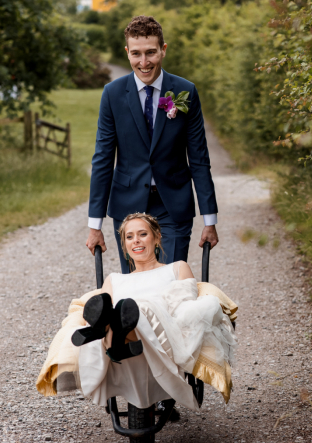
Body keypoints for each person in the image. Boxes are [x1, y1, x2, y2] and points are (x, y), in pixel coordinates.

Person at [85, 15, 219, 274]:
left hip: (174, 204)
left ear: (163, 50)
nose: (143, 63)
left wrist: (209, 220)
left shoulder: (185, 91)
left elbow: (199, 158)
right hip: (127, 206)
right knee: (136, 290)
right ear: (127, 52)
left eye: (150, 53)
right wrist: (95, 225)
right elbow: (103, 158)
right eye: (136, 54)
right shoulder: (112, 94)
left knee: (171, 283)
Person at [72, 213, 236, 412]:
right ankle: (112, 334)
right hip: (125, 337)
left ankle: (118, 332)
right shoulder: (114, 279)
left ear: (157, 237)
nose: (136, 241)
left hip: (160, 332)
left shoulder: (176, 268)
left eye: (143, 234)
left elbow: (183, 305)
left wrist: (147, 306)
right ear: (124, 244)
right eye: (129, 237)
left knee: (139, 308)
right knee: (111, 310)